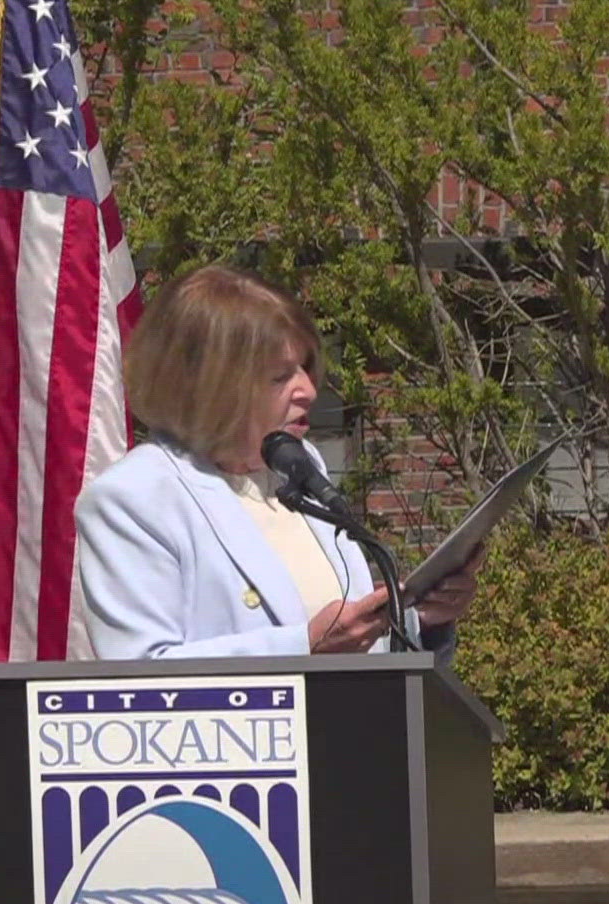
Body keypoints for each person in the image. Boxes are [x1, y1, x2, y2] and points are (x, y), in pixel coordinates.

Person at [74, 263, 481, 660]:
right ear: (209, 387)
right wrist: (301, 648)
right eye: (280, 377)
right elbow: (140, 677)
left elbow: (351, 643)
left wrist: (423, 619)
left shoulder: (298, 467)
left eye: (305, 368)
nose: (308, 389)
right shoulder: (132, 499)